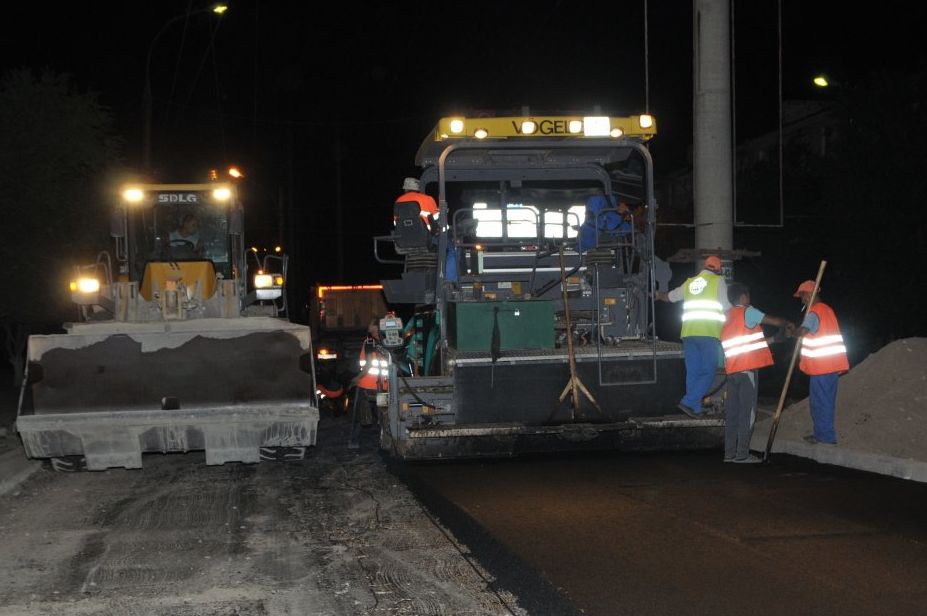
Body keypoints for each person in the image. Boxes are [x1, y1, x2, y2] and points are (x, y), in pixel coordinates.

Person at [720, 283, 793, 463]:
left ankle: (729, 454)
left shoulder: (727, 317)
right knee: (748, 413)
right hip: (747, 371)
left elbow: (749, 343)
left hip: (732, 372)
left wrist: (775, 339)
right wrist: (787, 323)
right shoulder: (748, 311)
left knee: (733, 413)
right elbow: (774, 321)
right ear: (744, 297)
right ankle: (743, 454)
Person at [655, 255, 730, 418]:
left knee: (693, 372)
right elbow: (726, 307)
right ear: (718, 270)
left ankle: (694, 409)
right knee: (709, 372)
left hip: (688, 333)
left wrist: (657, 295)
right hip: (708, 333)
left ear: (704, 267)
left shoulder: (690, 282)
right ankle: (688, 402)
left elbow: (670, 297)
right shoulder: (718, 281)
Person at [792, 280, 849, 445]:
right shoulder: (827, 310)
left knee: (820, 402)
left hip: (822, 367)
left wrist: (792, 332)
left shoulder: (814, 312)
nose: (801, 300)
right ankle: (823, 434)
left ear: (810, 295)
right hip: (829, 366)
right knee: (823, 401)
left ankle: (825, 437)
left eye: (802, 296)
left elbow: (803, 331)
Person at [349, 319, 389, 446]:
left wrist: (356, 378)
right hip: (383, 386)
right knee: (383, 414)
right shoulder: (388, 342)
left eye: (371, 324)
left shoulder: (369, 342)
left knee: (360, 414)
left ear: (376, 327)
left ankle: (354, 442)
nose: (368, 325)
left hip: (366, 386)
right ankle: (385, 440)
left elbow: (367, 365)